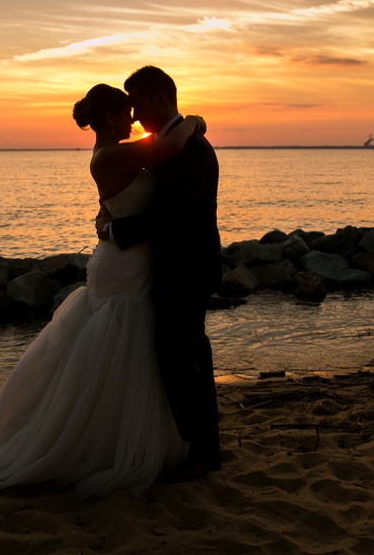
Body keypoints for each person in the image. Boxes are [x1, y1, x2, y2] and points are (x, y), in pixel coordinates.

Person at [0, 83, 200, 498]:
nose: (134, 119)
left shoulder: (112, 154)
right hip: (124, 268)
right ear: (110, 118)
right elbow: (170, 147)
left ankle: (111, 437)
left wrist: (108, 219)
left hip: (126, 260)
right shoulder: (112, 154)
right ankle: (102, 446)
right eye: (126, 113)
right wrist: (193, 122)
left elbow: (128, 197)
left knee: (118, 357)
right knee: (121, 351)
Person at [98, 66, 223, 481]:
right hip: (177, 265)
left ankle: (203, 451)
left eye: (137, 104)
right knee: (188, 355)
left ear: (158, 97)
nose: (134, 115)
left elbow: (171, 217)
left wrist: (116, 230)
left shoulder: (189, 149)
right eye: (127, 108)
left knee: (180, 358)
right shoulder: (172, 144)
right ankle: (206, 446)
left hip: (186, 265)